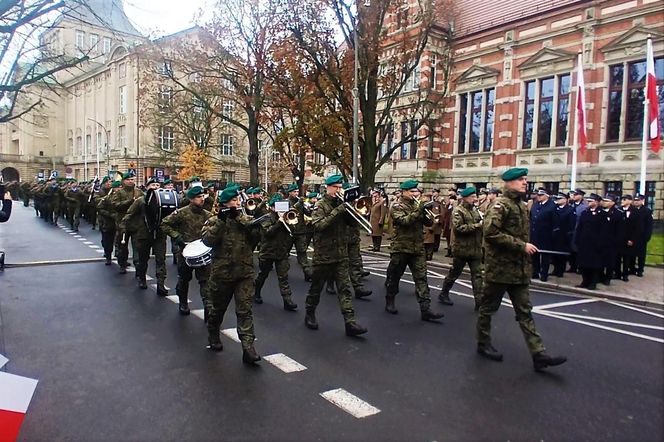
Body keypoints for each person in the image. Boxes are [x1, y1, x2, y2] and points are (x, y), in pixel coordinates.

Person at [476, 167, 567, 372]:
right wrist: (520, 245)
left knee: (525, 312)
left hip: (519, 270)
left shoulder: (523, 206)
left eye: (525, 179)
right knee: (488, 309)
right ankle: (483, 343)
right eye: (520, 180)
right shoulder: (500, 205)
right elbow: (490, 233)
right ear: (508, 183)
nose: (525, 182)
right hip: (499, 270)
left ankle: (538, 354)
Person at [202, 187, 262, 363]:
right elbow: (207, 241)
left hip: (244, 273)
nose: (238, 203)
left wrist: (251, 223)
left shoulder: (244, 220)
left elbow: (256, 240)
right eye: (234, 201)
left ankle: (248, 348)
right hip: (222, 274)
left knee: (245, 310)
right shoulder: (213, 220)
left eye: (238, 200)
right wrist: (221, 221)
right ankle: (213, 333)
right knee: (217, 310)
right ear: (225, 204)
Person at [304, 175, 368, 336]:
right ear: (328, 187)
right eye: (336, 187)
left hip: (341, 254)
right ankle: (309, 313)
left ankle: (350, 322)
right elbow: (319, 225)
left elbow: (353, 224)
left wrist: (353, 212)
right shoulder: (320, 205)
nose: (339, 190)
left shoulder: (341, 204)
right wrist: (338, 211)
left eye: (341, 187)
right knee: (316, 289)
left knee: (344, 289)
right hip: (324, 255)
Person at [384, 179, 444, 321]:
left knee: (421, 278)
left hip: (417, 248)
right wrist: (419, 210)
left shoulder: (417, 205)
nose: (415, 194)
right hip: (401, 247)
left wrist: (426, 213)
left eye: (416, 191)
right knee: (394, 277)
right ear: (404, 192)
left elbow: (429, 223)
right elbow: (404, 221)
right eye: (412, 191)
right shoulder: (397, 206)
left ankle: (426, 309)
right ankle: (390, 300)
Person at [161, 185, 212, 316]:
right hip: (185, 251)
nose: (202, 199)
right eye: (198, 197)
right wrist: (176, 236)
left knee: (205, 281)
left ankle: (208, 307)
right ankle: (183, 302)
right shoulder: (182, 213)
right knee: (184, 278)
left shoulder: (208, 215)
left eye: (203, 196)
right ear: (191, 199)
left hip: (202, 251)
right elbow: (164, 224)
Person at [438, 186, 484, 309]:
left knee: (478, 275)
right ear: (465, 198)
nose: (475, 198)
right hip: (462, 249)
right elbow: (459, 228)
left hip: (475, 249)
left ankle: (479, 301)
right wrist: (477, 226)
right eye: (472, 197)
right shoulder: (458, 211)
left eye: (475, 196)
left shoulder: (475, 210)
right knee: (454, 273)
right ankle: (444, 293)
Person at [119, 177, 168, 293]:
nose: (155, 187)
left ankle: (161, 284)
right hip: (144, 234)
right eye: (152, 185)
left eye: (157, 185)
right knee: (143, 259)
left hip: (159, 234)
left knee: (161, 259)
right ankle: (142, 279)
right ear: (147, 187)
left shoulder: (164, 200)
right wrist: (123, 227)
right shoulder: (141, 200)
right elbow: (129, 214)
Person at [253, 194, 298, 311]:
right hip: (267, 252)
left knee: (283, 277)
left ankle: (287, 300)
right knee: (263, 274)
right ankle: (256, 292)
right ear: (272, 207)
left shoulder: (287, 217)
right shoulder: (266, 218)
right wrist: (279, 222)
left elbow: (293, 231)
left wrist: (289, 222)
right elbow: (268, 233)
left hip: (281, 252)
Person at [109, 172, 143, 273]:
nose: (130, 181)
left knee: (138, 247)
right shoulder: (119, 193)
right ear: (124, 181)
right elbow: (115, 205)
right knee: (122, 246)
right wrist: (130, 202)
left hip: (136, 224)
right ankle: (122, 264)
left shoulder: (139, 192)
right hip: (123, 223)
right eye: (128, 179)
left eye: (132, 179)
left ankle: (138, 269)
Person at [575, 193, 603, 290]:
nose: (588, 203)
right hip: (584, 243)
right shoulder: (585, 212)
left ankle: (592, 283)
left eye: (591, 201)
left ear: (596, 202)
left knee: (593, 265)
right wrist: (577, 239)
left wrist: (600, 243)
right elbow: (580, 227)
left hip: (595, 244)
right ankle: (585, 281)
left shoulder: (601, 214)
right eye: (588, 201)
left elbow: (603, 230)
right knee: (583, 264)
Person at [285, 183, 312, 281]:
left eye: (297, 191)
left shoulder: (300, 202)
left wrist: (309, 208)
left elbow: (308, 213)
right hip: (289, 231)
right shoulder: (286, 202)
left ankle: (307, 273)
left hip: (300, 231)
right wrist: (299, 203)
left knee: (302, 253)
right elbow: (289, 212)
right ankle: (283, 272)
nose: (296, 193)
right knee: (284, 253)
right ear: (290, 193)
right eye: (294, 192)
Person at [530, 189, 555, 282]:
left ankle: (544, 274)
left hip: (546, 235)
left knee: (545, 256)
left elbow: (555, 222)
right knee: (534, 255)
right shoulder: (535, 205)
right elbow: (531, 218)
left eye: (541, 195)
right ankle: (535, 272)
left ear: (546, 196)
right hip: (535, 234)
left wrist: (552, 235)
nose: (539, 197)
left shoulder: (552, 206)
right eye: (538, 195)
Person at [598, 194, 623, 286]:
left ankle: (608, 278)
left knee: (610, 261)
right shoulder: (599, 211)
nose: (604, 202)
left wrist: (616, 241)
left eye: (607, 201)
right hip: (600, 241)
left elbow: (620, 230)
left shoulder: (618, 214)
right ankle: (599, 276)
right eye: (604, 200)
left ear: (612, 202)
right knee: (599, 260)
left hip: (612, 242)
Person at [550, 193, 576, 277]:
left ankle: (560, 271)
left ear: (565, 200)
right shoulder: (554, 208)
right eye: (557, 199)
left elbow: (572, 223)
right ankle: (555, 269)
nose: (558, 200)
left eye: (560, 199)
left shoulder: (570, 210)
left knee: (562, 255)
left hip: (564, 236)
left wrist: (568, 234)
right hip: (554, 235)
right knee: (554, 254)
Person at [615, 195, 638, 282]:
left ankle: (625, 274)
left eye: (624, 200)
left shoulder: (634, 211)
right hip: (618, 238)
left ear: (629, 201)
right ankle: (617, 273)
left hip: (628, 238)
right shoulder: (619, 210)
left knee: (626, 258)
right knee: (617, 257)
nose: (622, 201)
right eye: (622, 199)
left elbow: (636, 227)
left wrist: (632, 239)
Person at [631, 194, 654, 277]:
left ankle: (640, 270)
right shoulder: (632, 210)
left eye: (638, 200)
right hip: (632, 236)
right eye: (635, 200)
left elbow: (649, 225)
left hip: (642, 237)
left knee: (641, 254)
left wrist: (647, 237)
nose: (636, 202)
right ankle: (632, 268)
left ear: (642, 201)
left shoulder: (647, 211)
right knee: (632, 254)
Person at [96, 179, 118, 265]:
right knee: (107, 240)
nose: (119, 189)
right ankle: (108, 255)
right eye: (117, 187)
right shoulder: (105, 195)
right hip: (107, 221)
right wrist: (109, 214)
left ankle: (121, 259)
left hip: (119, 222)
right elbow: (99, 206)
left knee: (120, 242)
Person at [567, 189, 587, 273]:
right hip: (570, 231)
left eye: (576, 195)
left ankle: (580, 267)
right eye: (573, 195)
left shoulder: (584, 207)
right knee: (571, 250)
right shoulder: (571, 205)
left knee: (578, 250)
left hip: (579, 230)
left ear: (581, 196)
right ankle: (572, 266)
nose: (574, 196)